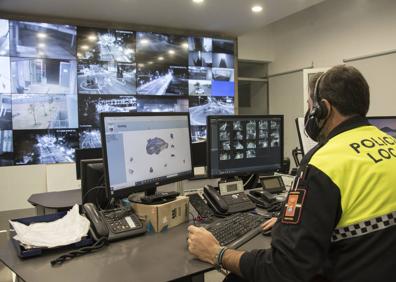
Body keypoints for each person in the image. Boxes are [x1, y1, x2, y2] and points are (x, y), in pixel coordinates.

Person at [187, 65, 396, 282]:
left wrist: (216, 253)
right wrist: (297, 221)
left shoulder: (323, 164)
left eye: (309, 105)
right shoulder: (391, 144)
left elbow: (282, 270)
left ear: (323, 108)